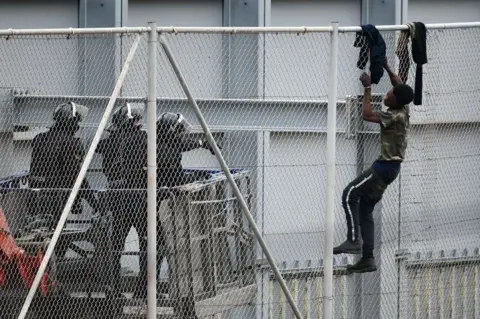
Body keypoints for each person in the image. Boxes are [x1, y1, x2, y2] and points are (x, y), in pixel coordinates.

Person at [333, 60, 414, 274]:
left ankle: (353, 240)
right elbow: (398, 83)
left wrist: (368, 88)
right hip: (391, 169)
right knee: (366, 209)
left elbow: (366, 114)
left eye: (389, 95)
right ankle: (368, 259)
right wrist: (386, 67)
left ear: (396, 100)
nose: (386, 96)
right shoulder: (404, 108)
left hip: (383, 168)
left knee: (349, 192)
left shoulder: (393, 115)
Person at [28, 102, 98, 257]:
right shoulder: (70, 143)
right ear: (70, 122)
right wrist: (93, 202)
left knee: (38, 236)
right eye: (76, 122)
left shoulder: (40, 139)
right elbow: (77, 177)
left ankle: (42, 269)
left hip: (35, 197)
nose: (78, 126)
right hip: (57, 200)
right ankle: (56, 270)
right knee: (58, 237)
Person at [95, 103, 148, 298]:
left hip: (116, 197)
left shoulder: (109, 142)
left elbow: (99, 147)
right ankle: (143, 290)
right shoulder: (143, 139)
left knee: (116, 244)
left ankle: (114, 289)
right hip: (137, 197)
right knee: (148, 241)